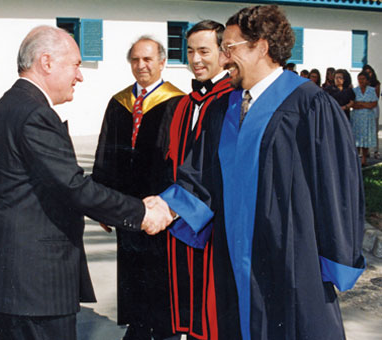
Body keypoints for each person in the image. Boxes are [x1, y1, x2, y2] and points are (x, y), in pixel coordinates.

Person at [153, 5, 365, 340]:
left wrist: (336, 258)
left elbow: (338, 187)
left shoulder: (309, 105)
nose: (223, 59)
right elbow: (202, 177)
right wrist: (166, 207)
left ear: (262, 47)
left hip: (292, 260)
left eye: (230, 48)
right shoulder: (224, 108)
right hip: (233, 259)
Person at [0, 26, 172, 340]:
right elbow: (73, 187)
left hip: (13, 285)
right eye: (76, 64)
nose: (80, 76)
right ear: (47, 63)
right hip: (36, 288)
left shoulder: (3, 109)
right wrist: (141, 212)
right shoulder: (34, 114)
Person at [92, 36, 184, 340]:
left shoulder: (178, 102)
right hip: (126, 206)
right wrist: (101, 202)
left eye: (147, 59)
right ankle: (139, 326)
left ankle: (167, 330)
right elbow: (105, 153)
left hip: (163, 209)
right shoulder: (119, 102)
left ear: (162, 62)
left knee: (163, 273)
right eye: (135, 59)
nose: (141, 65)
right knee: (132, 268)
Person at [163, 20, 234, 340]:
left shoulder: (233, 100)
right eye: (190, 51)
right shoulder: (183, 104)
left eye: (204, 51)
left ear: (224, 53)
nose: (196, 59)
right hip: (184, 216)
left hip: (218, 218)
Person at [351, 71, 378, 166]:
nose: (360, 81)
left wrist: (361, 103)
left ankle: (364, 158)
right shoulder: (355, 90)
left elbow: (373, 104)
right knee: (356, 137)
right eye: (359, 79)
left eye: (363, 79)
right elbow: (353, 104)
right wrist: (366, 104)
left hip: (367, 117)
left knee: (365, 138)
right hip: (357, 117)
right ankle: (356, 157)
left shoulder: (371, 90)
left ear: (366, 80)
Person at [362, 64, 381, 158]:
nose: (369, 74)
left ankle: (376, 151)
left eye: (370, 72)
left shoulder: (376, 83)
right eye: (366, 72)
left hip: (373, 108)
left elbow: (376, 97)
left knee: (374, 130)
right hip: (364, 108)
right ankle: (366, 151)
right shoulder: (362, 83)